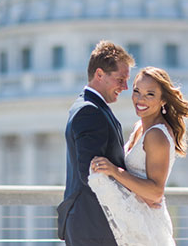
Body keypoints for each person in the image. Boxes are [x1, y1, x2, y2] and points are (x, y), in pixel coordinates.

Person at [89, 66, 188, 246]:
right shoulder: (140, 127)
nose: (140, 99)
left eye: (150, 94)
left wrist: (114, 171)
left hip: (147, 227)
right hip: (136, 220)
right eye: (137, 91)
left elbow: (156, 192)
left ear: (163, 100)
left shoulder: (156, 135)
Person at [57, 40, 135, 245]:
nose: (125, 87)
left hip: (91, 223)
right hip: (94, 224)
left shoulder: (88, 106)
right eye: (120, 79)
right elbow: (92, 174)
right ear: (99, 74)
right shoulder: (89, 111)